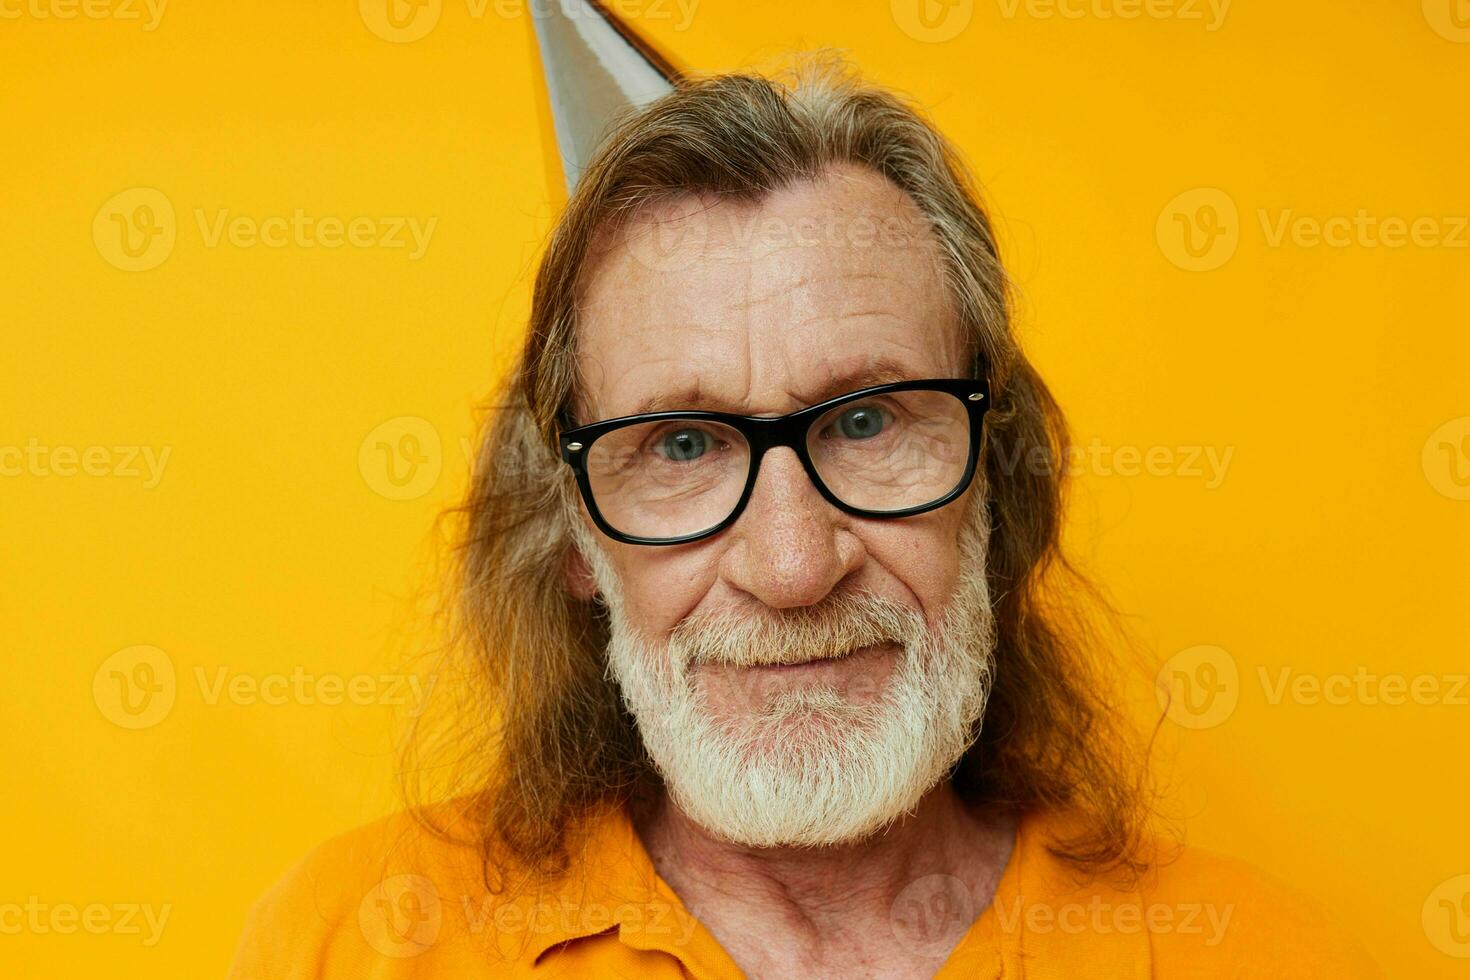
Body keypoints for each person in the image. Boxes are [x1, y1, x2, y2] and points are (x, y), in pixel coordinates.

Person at [227, 59, 1380, 979]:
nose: (791, 566)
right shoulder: (354, 944)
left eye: (869, 422)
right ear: (573, 530)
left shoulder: (1273, 956)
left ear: (993, 476)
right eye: (682, 444)